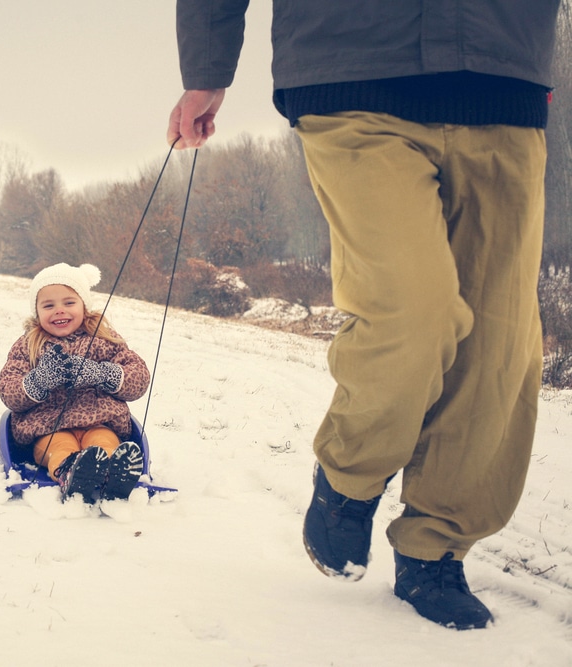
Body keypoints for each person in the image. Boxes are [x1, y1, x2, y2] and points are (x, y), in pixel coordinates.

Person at [167, 0, 559, 630]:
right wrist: (207, 67)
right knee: (412, 305)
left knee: (499, 342)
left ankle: (435, 548)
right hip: (352, 64)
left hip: (503, 73)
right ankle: (350, 474)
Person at [0, 263, 151, 503]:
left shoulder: (104, 340)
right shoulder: (28, 346)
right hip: (47, 428)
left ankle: (115, 473)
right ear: (37, 312)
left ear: (84, 306)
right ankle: (72, 472)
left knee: (104, 443)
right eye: (48, 305)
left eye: (69, 303)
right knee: (61, 448)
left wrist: (101, 374)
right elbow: (9, 391)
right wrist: (40, 381)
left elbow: (139, 378)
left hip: (100, 422)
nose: (59, 310)